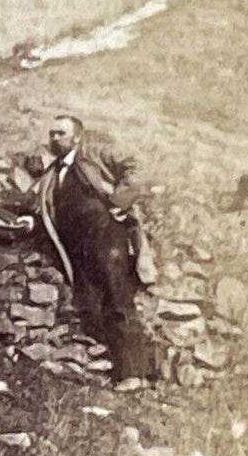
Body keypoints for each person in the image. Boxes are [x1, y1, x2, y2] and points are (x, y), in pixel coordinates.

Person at [34, 114, 157, 380]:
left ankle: (135, 375)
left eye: (61, 133)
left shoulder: (94, 155)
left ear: (77, 136)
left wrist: (118, 200)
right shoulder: (55, 172)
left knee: (118, 300)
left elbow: (137, 168)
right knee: (91, 306)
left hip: (108, 238)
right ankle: (107, 369)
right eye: (52, 133)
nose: (54, 138)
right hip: (81, 250)